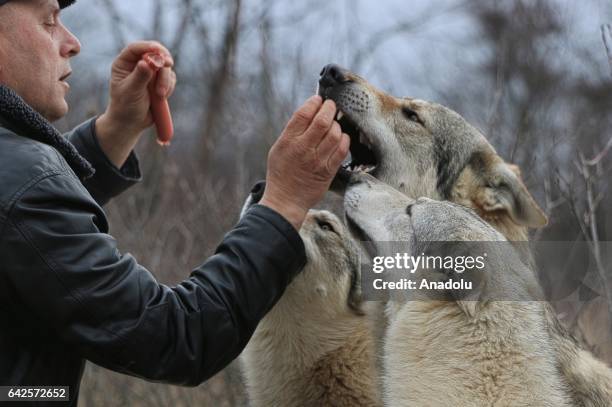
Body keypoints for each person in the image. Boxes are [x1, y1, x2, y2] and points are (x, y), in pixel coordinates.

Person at [0, 0, 350, 405]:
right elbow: (177, 334)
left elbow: (24, 227)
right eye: (48, 21)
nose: (72, 42)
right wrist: (283, 203)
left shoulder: (19, 184)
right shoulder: (22, 186)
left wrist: (116, 129)